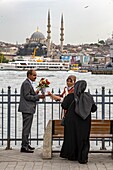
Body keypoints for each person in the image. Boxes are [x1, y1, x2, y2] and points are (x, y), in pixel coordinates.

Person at [60, 80, 97, 164]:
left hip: (71, 122)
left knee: (71, 137)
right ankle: (82, 157)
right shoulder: (88, 97)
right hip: (84, 122)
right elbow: (94, 109)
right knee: (83, 139)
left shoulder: (70, 97)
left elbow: (64, 106)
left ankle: (72, 155)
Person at [18, 69, 45, 153]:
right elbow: (27, 96)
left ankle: (26, 143)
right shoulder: (26, 83)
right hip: (27, 108)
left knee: (27, 128)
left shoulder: (28, 83)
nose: (35, 77)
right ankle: (24, 146)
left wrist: (38, 90)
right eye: (34, 75)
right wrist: (38, 97)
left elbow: (31, 94)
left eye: (35, 75)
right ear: (29, 75)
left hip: (28, 108)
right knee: (26, 128)